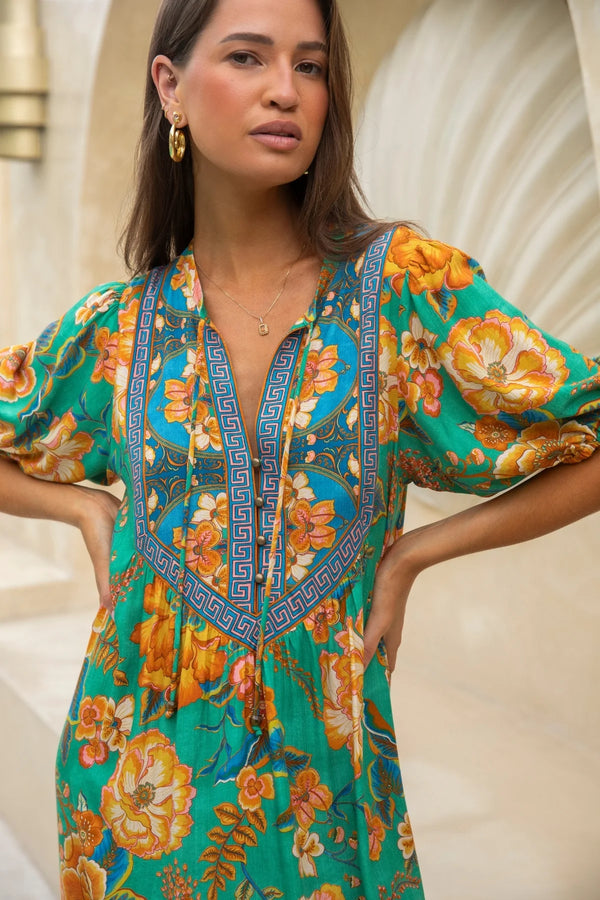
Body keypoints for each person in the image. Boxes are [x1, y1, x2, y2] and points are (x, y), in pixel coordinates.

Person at [1, 0, 599, 897]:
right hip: (129, 810)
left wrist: (413, 556)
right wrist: (82, 506)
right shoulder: (117, 331)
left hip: (333, 814)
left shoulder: (405, 290)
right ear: (170, 87)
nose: (286, 90)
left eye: (311, 67)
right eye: (248, 57)